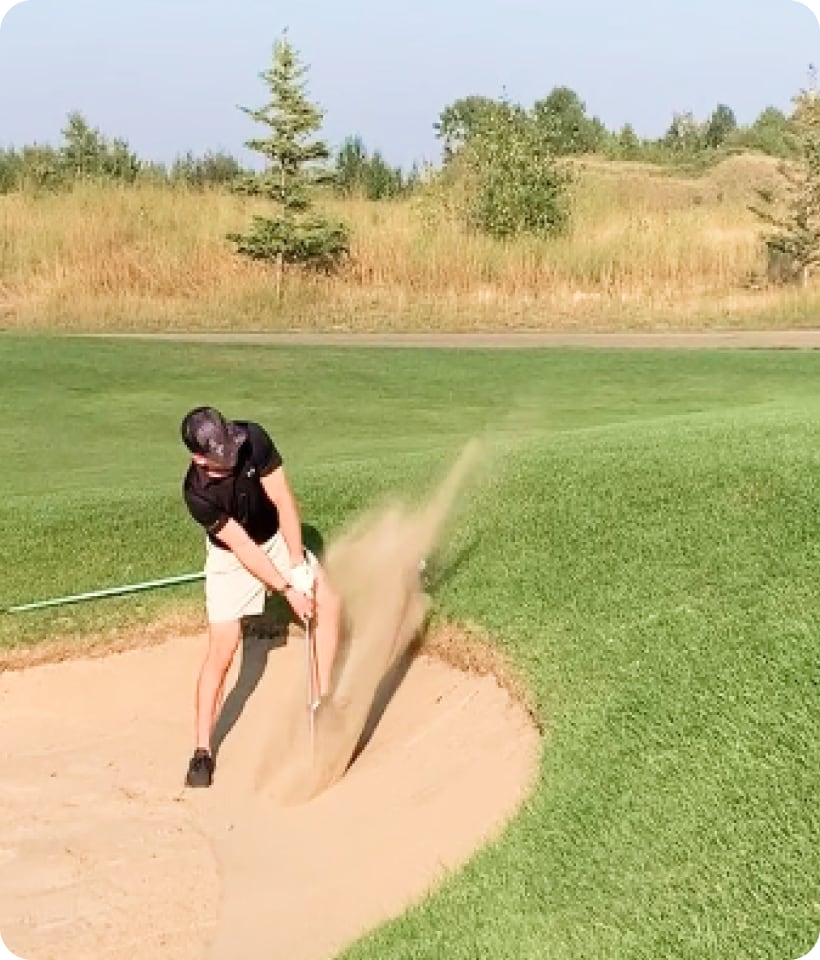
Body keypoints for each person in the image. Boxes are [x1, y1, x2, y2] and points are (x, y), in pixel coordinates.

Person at [179, 405, 342, 788]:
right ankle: (202, 751)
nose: (231, 465)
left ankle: (323, 701)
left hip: (274, 539)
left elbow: (284, 500)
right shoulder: (197, 493)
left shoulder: (252, 439)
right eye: (221, 462)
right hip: (231, 557)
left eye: (232, 456)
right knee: (223, 647)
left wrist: (298, 564)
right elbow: (241, 549)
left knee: (329, 599)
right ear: (198, 459)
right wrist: (286, 589)